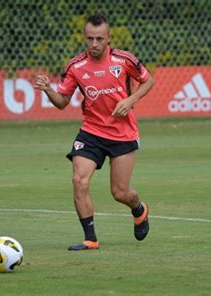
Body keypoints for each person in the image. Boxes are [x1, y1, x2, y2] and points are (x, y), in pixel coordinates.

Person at [34, 13, 155, 251]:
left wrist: (131, 100)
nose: (94, 44)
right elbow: (62, 102)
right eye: (90, 39)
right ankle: (90, 239)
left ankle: (139, 209)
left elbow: (148, 80)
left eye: (100, 39)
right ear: (84, 38)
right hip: (91, 132)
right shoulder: (74, 66)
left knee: (120, 193)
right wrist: (48, 89)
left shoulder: (124, 60)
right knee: (79, 180)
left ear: (109, 38)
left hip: (123, 133)